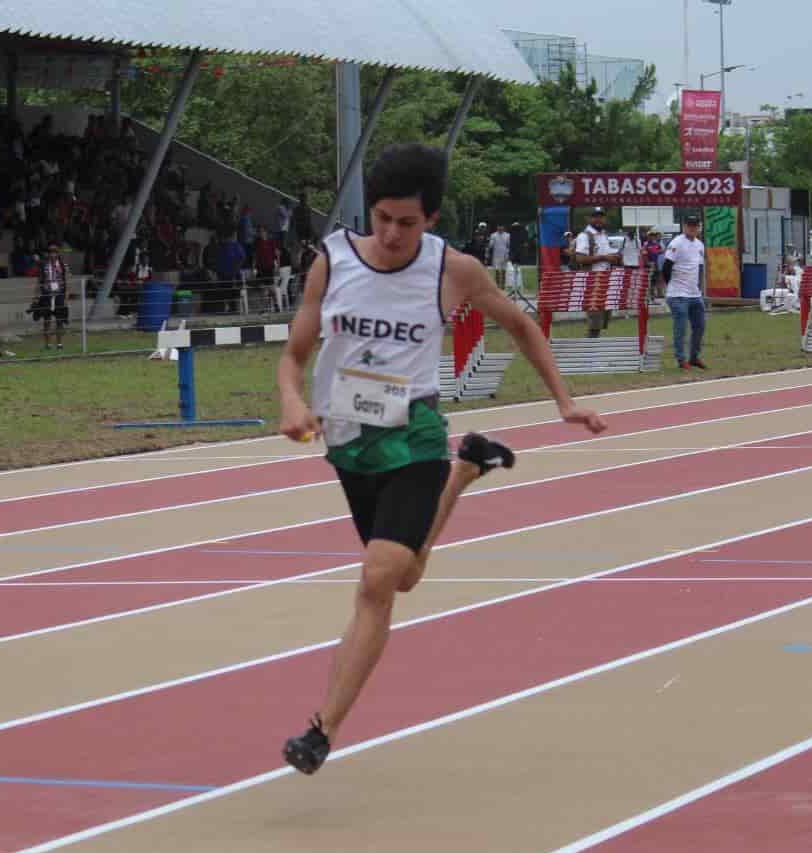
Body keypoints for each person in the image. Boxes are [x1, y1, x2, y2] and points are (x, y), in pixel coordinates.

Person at [275, 143, 607, 775]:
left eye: (407, 222)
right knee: (402, 574)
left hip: (416, 432)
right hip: (349, 439)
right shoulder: (332, 260)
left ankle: (321, 730)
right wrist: (292, 403)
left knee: (378, 580)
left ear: (430, 219)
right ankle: (469, 469)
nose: (393, 234)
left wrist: (564, 401)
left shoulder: (453, 271)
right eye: (382, 219)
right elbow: (294, 353)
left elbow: (521, 324)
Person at [663, 213, 709, 370]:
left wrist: (699, 288)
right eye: (689, 226)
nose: (692, 228)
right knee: (681, 328)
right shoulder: (676, 243)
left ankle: (694, 357)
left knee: (700, 326)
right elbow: (666, 267)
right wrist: (670, 287)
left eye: (694, 226)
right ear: (684, 227)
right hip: (678, 294)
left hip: (694, 293)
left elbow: (700, 267)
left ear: (698, 228)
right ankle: (681, 359)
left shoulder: (699, 245)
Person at [572, 207, 616, 336]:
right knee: (595, 317)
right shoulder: (584, 236)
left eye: (601, 216)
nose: (598, 219)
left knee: (603, 316)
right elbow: (580, 258)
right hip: (592, 279)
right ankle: (590, 345)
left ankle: (594, 343)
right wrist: (604, 257)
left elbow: (607, 255)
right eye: (595, 216)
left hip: (605, 277)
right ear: (589, 219)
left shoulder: (604, 235)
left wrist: (615, 257)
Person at [34, 240, 69, 350]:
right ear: (48, 253)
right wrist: (35, 296)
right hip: (47, 295)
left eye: (55, 251)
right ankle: (48, 344)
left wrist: (66, 298)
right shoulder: (43, 265)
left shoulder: (63, 265)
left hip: (59, 295)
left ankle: (59, 343)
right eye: (51, 251)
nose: (53, 254)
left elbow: (67, 282)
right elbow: (39, 282)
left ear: (58, 253)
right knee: (47, 320)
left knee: (60, 321)